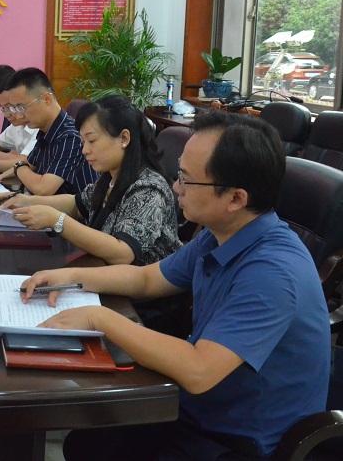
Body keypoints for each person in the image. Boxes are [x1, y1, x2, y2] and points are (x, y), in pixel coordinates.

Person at [23, 111, 330, 460]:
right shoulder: (221, 233)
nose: (175, 188)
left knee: (96, 445)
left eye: (186, 180)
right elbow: (147, 278)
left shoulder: (273, 272)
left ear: (235, 199)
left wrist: (99, 318)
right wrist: (69, 277)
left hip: (241, 440)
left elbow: (199, 371)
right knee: (87, 442)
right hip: (201, 407)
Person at [0, 95, 181, 266]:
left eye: (92, 141)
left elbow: (123, 253)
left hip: (140, 289)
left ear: (124, 138)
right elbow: (77, 204)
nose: (84, 150)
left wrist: (57, 220)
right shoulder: (111, 176)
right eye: (83, 142)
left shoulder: (148, 188)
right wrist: (26, 201)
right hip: (104, 274)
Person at [0, 67, 96, 195]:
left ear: (46, 99)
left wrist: (19, 167)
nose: (18, 116)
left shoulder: (70, 136)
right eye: (15, 109)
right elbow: (28, 166)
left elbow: (43, 188)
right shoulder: (44, 130)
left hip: (67, 213)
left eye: (22, 107)